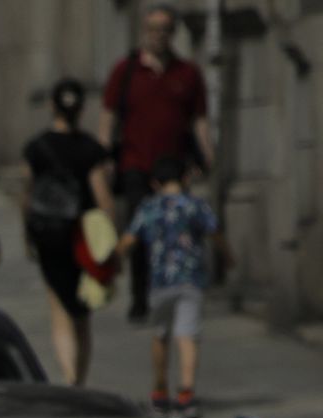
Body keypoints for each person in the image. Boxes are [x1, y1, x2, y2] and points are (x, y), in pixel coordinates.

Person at [103, 5, 213, 325]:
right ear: (144, 31)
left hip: (173, 167)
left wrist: (207, 155)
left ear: (173, 32)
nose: (158, 36)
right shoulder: (125, 71)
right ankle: (139, 297)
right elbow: (108, 116)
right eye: (153, 29)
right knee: (142, 230)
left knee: (174, 231)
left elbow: (200, 120)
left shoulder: (188, 73)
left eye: (164, 29)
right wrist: (104, 156)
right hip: (135, 163)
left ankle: (170, 291)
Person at [22, 78, 116, 386]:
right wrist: (112, 240)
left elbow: (28, 192)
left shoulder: (36, 147)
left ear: (52, 105)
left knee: (59, 308)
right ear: (81, 108)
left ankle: (68, 375)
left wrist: (28, 233)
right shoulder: (90, 149)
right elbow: (102, 197)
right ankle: (80, 378)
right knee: (82, 313)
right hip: (83, 237)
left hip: (48, 234)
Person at [118, 154, 226, 418]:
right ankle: (186, 394)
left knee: (161, 334)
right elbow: (215, 233)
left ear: (155, 183)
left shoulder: (148, 207)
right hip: (191, 280)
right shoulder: (196, 205)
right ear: (185, 178)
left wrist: (112, 260)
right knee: (188, 335)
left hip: (160, 282)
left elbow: (129, 239)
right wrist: (229, 256)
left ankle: (159, 391)